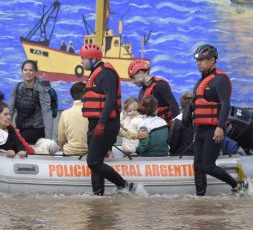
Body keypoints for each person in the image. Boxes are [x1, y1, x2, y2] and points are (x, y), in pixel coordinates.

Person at [183, 44, 241, 196]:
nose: (199, 63)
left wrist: (220, 127)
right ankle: (200, 196)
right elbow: (195, 104)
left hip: (214, 129)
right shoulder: (201, 81)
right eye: (198, 61)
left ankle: (237, 185)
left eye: (202, 60)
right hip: (201, 129)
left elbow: (225, 104)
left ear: (212, 60)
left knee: (208, 166)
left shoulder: (220, 80)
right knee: (197, 165)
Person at [80, 43, 136, 195]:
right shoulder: (96, 74)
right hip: (95, 124)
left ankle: (125, 185)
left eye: (83, 58)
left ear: (92, 59)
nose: (81, 62)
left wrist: (102, 123)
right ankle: (98, 195)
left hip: (105, 125)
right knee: (96, 163)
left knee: (93, 161)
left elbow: (111, 99)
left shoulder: (106, 73)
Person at [8, 60, 54, 143]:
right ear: (22, 72)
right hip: (21, 129)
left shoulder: (42, 88)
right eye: (25, 70)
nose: (27, 72)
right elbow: (10, 111)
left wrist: (48, 140)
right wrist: (6, 130)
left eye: (31, 70)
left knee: (16, 141)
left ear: (36, 72)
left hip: (37, 130)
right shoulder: (17, 87)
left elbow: (47, 113)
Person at [128, 59, 179, 126]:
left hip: (164, 127)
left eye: (133, 77)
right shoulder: (142, 91)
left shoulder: (160, 85)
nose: (133, 82)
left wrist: (174, 128)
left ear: (140, 73)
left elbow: (174, 106)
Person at [57, 82, 89, 156]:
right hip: (89, 154)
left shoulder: (65, 113)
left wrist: (62, 146)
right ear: (85, 95)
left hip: (69, 152)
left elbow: (60, 139)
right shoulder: (92, 113)